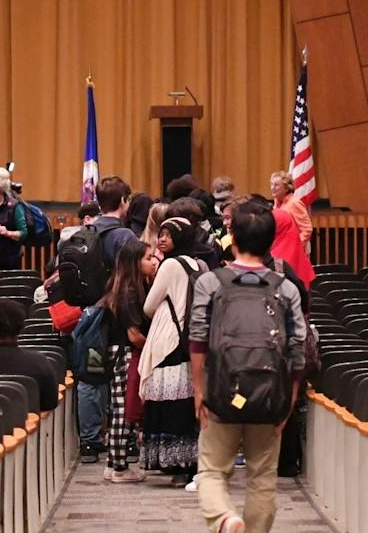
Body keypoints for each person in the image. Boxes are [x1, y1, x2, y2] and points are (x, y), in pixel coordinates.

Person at [190, 200, 307, 533]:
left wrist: (199, 389)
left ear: (233, 240)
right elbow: (298, 349)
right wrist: (289, 401)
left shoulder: (211, 283)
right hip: (271, 395)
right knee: (261, 476)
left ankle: (226, 519)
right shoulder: (285, 288)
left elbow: (198, 340)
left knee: (212, 471)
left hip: (220, 390)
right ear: (270, 242)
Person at [138, 217, 203, 487]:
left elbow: (149, 306)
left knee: (168, 405)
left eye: (168, 235)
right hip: (190, 338)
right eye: (160, 234)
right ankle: (189, 464)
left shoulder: (170, 264)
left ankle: (172, 464)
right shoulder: (197, 263)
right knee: (185, 405)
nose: (161, 239)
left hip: (169, 338)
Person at [101, 238, 148, 482]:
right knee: (123, 410)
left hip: (115, 352)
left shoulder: (118, 286)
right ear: (134, 262)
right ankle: (120, 467)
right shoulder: (129, 291)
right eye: (148, 258)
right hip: (124, 353)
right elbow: (134, 335)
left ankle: (113, 462)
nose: (152, 262)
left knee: (118, 406)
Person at [91, 175, 140, 265]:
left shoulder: (86, 230)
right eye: (128, 200)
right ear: (122, 201)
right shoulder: (125, 236)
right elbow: (132, 274)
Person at [269, 170, 312, 254]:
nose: (272, 187)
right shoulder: (276, 202)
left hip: (293, 252)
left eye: (276, 185)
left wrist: (293, 246)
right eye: (271, 184)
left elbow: (306, 230)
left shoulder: (294, 203)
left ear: (286, 188)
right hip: (278, 250)